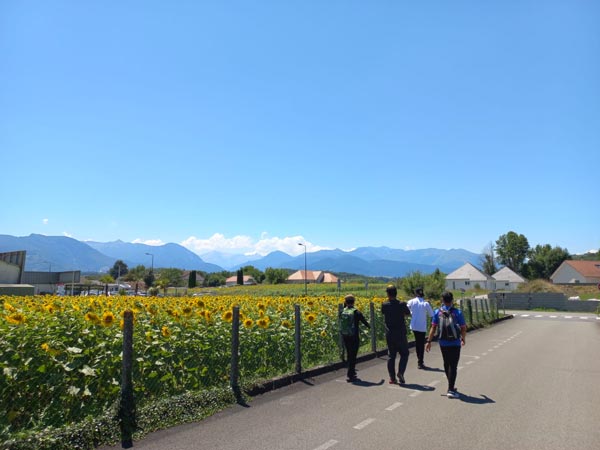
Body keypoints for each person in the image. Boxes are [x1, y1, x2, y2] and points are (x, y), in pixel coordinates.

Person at [425, 291, 467, 398]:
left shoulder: (437, 312)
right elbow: (463, 327)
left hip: (443, 342)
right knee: (453, 366)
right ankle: (451, 389)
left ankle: (451, 385)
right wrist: (463, 338)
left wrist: (429, 341)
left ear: (442, 300)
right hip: (455, 343)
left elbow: (433, 328)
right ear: (452, 300)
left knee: (446, 363)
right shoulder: (457, 312)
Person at [381, 285, 411, 384]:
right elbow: (407, 313)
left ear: (388, 294)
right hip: (400, 333)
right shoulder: (402, 304)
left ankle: (392, 378)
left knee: (391, 356)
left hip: (390, 333)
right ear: (396, 293)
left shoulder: (385, 305)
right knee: (404, 353)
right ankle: (401, 372)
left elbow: (383, 313)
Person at [340, 294, 370, 382]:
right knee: (353, 355)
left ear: (345, 302)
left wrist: (344, 305)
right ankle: (350, 374)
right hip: (354, 336)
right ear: (354, 302)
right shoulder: (356, 312)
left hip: (345, 336)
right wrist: (369, 326)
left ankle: (352, 372)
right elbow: (364, 322)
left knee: (349, 354)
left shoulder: (343, 311)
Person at [407, 287, 434, 369]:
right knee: (421, 343)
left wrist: (411, 313)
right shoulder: (425, 303)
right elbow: (431, 314)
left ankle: (419, 359)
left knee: (417, 342)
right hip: (422, 326)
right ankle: (420, 361)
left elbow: (406, 310)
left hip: (414, 325)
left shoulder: (411, 301)